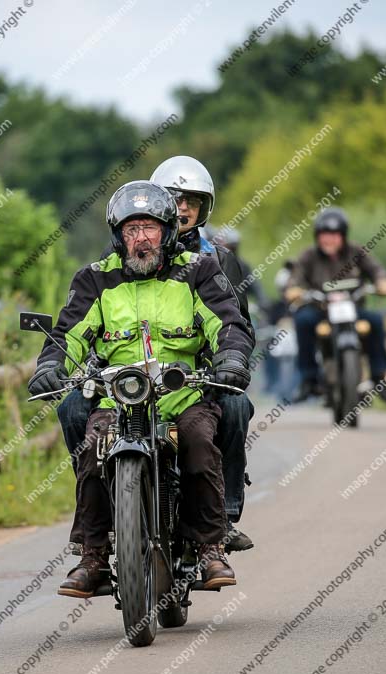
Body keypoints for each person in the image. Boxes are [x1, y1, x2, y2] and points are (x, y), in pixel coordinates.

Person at [28, 181, 253, 598]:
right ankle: (93, 557)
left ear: (167, 231)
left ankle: (209, 548)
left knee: (200, 442)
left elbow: (228, 322)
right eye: (131, 230)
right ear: (118, 236)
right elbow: (69, 332)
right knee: (94, 452)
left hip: (181, 394)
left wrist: (232, 357)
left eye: (149, 228)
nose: (141, 238)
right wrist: (50, 365)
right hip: (119, 396)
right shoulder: (96, 279)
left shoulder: (200, 270)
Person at [149, 156, 256, 552]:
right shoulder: (134, 252)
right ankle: (101, 517)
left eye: (191, 201)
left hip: (200, 378)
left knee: (236, 405)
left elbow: (240, 323)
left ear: (203, 209)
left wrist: (228, 361)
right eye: (173, 198)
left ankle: (224, 515)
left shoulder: (222, 260)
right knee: (76, 408)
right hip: (137, 378)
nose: (181, 208)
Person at [286, 207, 386, 402]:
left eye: (335, 235)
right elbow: (296, 278)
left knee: (377, 320)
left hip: (353, 310)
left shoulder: (356, 252)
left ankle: (380, 377)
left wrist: (382, 282)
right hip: (320, 311)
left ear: (343, 236)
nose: (329, 239)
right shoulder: (308, 255)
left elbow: (377, 270)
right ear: (317, 236)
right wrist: (294, 289)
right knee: (302, 321)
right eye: (324, 235)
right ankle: (308, 380)